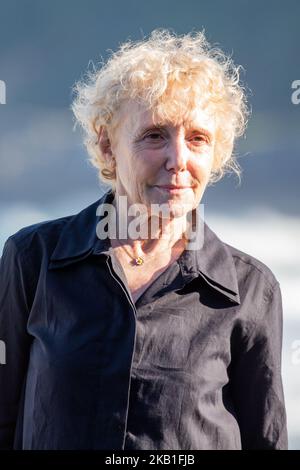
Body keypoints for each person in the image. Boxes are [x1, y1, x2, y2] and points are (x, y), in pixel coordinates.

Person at [0, 29, 288, 450]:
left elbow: (267, 441)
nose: (178, 160)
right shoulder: (33, 259)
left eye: (198, 139)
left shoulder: (251, 290)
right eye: (154, 135)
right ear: (107, 146)